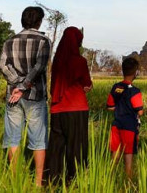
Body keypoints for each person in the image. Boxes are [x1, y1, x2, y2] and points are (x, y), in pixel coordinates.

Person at [0, 5, 52, 187]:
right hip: (35, 96)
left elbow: (3, 65)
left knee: (13, 138)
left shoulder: (9, 41)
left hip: (13, 96)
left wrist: (17, 83)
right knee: (38, 139)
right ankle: (38, 182)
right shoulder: (44, 41)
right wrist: (23, 85)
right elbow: (40, 66)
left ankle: (15, 180)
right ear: (39, 22)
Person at [48, 26, 93, 184]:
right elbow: (87, 84)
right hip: (77, 108)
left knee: (56, 147)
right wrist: (88, 86)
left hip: (57, 109)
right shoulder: (80, 61)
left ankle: (53, 181)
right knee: (76, 147)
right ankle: (74, 181)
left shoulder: (57, 61)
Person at [106, 57, 144, 178]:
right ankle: (128, 179)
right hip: (129, 126)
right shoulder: (135, 91)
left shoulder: (116, 87)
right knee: (128, 153)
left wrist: (120, 108)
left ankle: (112, 176)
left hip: (116, 124)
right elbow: (140, 111)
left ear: (123, 70)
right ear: (135, 72)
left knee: (115, 150)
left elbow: (110, 107)